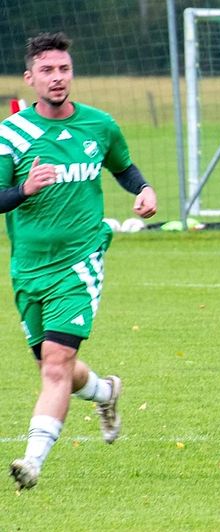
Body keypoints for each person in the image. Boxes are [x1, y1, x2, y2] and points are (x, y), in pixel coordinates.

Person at [2, 32, 157, 490]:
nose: (57, 78)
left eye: (63, 69)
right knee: (57, 369)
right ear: (30, 78)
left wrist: (143, 190)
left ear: (72, 73)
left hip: (80, 262)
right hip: (29, 269)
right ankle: (106, 392)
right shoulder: (12, 135)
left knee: (56, 364)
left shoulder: (100, 125)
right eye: (47, 70)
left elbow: (124, 167)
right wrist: (24, 190)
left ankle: (32, 461)